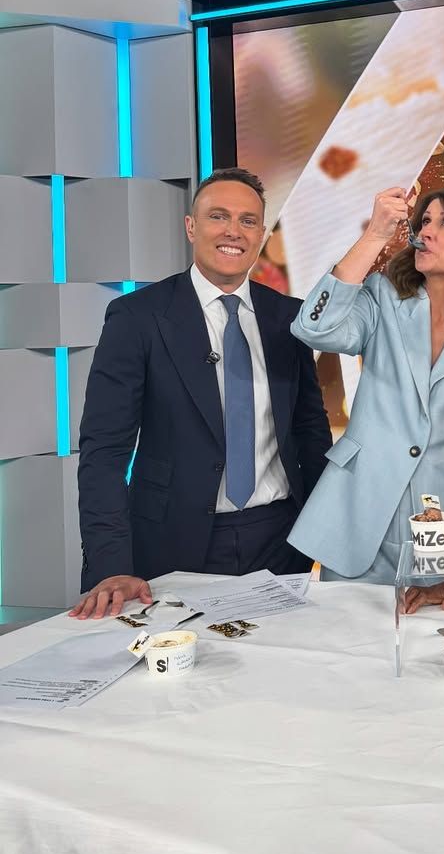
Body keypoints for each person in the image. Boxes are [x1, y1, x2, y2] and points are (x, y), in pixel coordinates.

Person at [71, 167, 331, 620]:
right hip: (172, 543)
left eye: (248, 221)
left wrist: (323, 533)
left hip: (280, 542)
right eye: (218, 216)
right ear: (191, 227)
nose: (233, 231)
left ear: (261, 235)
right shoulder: (138, 317)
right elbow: (104, 450)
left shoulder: (289, 318)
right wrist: (111, 565)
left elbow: (310, 431)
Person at [287, 186, 444, 598]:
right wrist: (375, 235)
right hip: (358, 516)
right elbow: (313, 328)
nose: (426, 231)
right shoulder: (382, 296)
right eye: (424, 221)